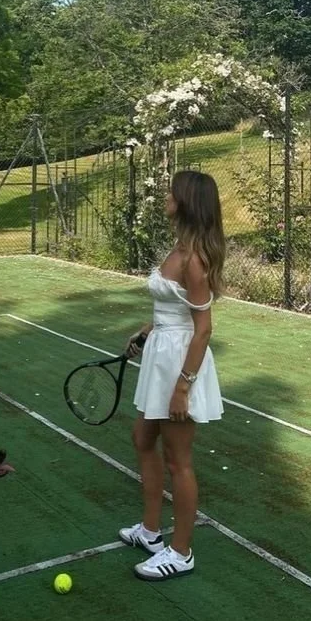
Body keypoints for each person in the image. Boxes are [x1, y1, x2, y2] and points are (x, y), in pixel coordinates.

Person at [119, 169, 226, 581]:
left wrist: (184, 386)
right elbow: (172, 309)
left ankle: (180, 552)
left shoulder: (195, 261)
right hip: (161, 353)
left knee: (178, 460)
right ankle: (150, 532)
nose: (165, 197)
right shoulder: (178, 249)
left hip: (181, 363)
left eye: (171, 193)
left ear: (186, 201)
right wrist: (146, 331)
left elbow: (203, 329)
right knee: (142, 438)